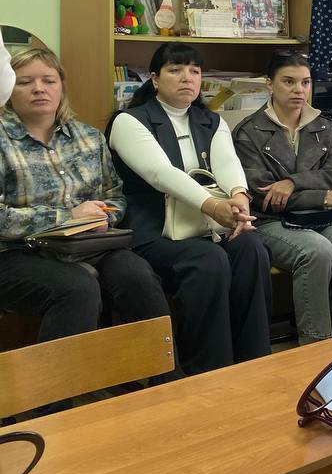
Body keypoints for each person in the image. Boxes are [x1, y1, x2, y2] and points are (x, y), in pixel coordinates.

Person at [0, 47, 172, 408]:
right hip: (16, 252)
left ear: (62, 85)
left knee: (138, 275)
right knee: (76, 288)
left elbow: (115, 195)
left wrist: (102, 216)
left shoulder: (88, 137)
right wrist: (66, 216)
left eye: (49, 80)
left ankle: (163, 386)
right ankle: (51, 407)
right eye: (25, 82)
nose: (39, 89)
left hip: (88, 243)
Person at [108, 43, 272, 375]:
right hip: (155, 232)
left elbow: (227, 163)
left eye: (194, 71)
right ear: (154, 79)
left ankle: (254, 362)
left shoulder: (210, 120)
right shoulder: (129, 121)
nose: (187, 78)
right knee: (208, 260)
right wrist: (212, 205)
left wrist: (239, 199)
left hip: (205, 227)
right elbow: (160, 174)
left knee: (252, 247)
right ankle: (208, 369)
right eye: (175, 70)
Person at [233, 51, 332, 345]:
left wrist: (291, 183)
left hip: (324, 216)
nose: (299, 90)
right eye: (289, 82)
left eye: (305, 82)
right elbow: (263, 195)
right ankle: (316, 345)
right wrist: (322, 197)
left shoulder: (324, 125)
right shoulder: (249, 132)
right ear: (269, 84)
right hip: (272, 221)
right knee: (317, 252)